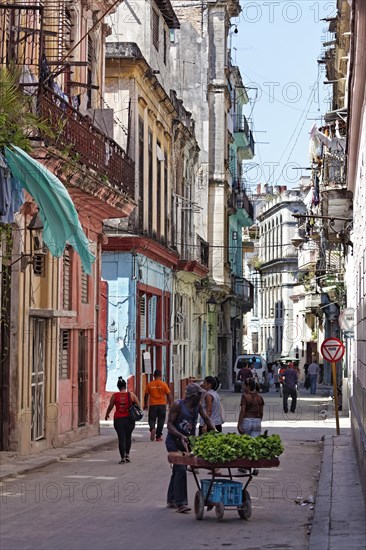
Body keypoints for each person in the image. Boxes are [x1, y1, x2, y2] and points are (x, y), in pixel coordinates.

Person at [165, 383, 216, 513]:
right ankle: (181, 503)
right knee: (181, 469)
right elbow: (169, 425)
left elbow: (206, 418)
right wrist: (180, 435)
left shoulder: (197, 406)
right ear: (192, 396)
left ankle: (171, 499)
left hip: (187, 441)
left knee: (177, 470)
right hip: (174, 441)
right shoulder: (178, 405)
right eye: (199, 395)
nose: (201, 397)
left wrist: (214, 430)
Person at [105, 377, 142, 464]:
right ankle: (127, 455)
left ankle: (122, 458)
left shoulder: (115, 396)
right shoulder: (131, 395)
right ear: (125, 386)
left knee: (121, 438)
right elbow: (139, 405)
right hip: (129, 419)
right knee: (128, 437)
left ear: (118, 386)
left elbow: (110, 406)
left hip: (118, 419)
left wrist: (107, 414)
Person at [144, 369, 172, 442]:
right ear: (160, 376)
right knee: (161, 421)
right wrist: (170, 404)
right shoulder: (164, 384)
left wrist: (145, 404)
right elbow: (168, 395)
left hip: (153, 405)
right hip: (162, 405)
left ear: (154, 376)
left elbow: (146, 395)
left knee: (151, 419)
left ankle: (152, 428)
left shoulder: (150, 384)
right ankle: (158, 436)